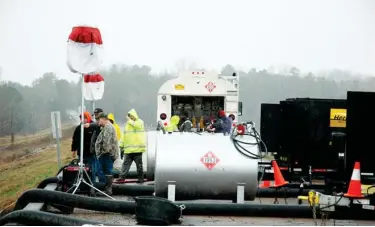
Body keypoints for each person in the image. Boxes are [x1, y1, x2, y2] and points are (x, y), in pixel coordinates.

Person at [118, 109, 146, 183]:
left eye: (131, 116)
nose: (130, 117)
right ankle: (121, 177)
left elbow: (137, 126)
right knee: (125, 165)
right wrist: (121, 146)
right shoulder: (128, 124)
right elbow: (124, 135)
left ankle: (141, 178)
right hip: (128, 150)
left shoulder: (140, 122)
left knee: (139, 166)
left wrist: (129, 121)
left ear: (134, 115)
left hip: (138, 149)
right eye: (129, 116)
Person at [95, 112, 119, 195]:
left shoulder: (108, 127)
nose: (98, 121)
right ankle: (107, 189)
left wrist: (103, 152)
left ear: (103, 118)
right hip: (107, 154)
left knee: (107, 171)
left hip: (107, 154)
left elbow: (106, 142)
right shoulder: (107, 127)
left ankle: (108, 190)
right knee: (106, 171)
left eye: (99, 119)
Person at [71, 112, 96, 182]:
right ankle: (82, 182)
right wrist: (73, 150)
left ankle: (92, 183)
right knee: (81, 169)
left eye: (84, 118)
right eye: (81, 118)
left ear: (88, 118)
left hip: (90, 153)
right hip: (81, 153)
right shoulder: (79, 128)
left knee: (91, 169)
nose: (83, 120)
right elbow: (75, 139)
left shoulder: (93, 127)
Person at [84, 108, 106, 184]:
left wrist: (89, 124)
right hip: (95, 151)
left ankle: (102, 184)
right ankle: (99, 183)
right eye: (95, 115)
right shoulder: (96, 123)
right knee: (96, 168)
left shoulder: (101, 124)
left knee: (100, 168)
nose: (95, 116)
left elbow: (96, 125)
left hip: (101, 151)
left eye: (97, 115)